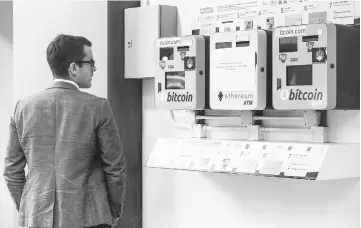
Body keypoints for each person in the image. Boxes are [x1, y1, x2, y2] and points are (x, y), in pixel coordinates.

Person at [3, 34, 126, 228]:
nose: (94, 68)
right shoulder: (98, 107)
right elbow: (115, 168)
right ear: (74, 68)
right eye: (91, 62)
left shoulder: (23, 107)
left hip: (36, 218)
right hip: (90, 219)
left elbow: (12, 171)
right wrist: (113, 212)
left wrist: (29, 208)